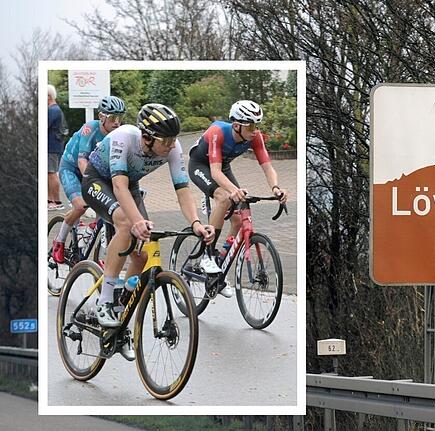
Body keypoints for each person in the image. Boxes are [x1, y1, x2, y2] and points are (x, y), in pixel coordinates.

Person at [83, 103, 215, 360]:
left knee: (141, 257)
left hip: (128, 184)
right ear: (146, 137)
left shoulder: (172, 148)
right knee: (125, 223)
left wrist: (197, 223)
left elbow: (182, 190)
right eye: (165, 140)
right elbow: (119, 188)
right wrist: (136, 221)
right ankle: (105, 301)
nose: (171, 145)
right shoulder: (124, 139)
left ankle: (119, 316)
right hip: (98, 180)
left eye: (173, 139)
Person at [188, 100, 288, 297]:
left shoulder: (254, 137)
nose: (254, 130)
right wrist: (233, 190)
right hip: (201, 165)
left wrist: (276, 188)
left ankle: (219, 265)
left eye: (257, 125)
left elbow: (267, 166)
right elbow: (215, 172)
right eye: (250, 125)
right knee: (224, 198)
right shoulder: (218, 132)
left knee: (236, 219)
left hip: (222, 166)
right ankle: (207, 255)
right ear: (236, 125)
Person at [51, 96, 126, 264]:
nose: (117, 123)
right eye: (113, 118)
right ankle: (59, 241)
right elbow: (82, 160)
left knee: (109, 206)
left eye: (120, 118)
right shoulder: (89, 128)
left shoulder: (119, 135)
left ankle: (93, 236)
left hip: (94, 172)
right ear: (101, 117)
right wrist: (93, 183)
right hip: (71, 168)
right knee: (81, 205)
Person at [47, 85, 67, 210]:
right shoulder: (55, 109)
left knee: (52, 173)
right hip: (53, 145)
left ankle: (57, 201)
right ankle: (50, 201)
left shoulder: (52, 110)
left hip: (52, 146)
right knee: (49, 173)